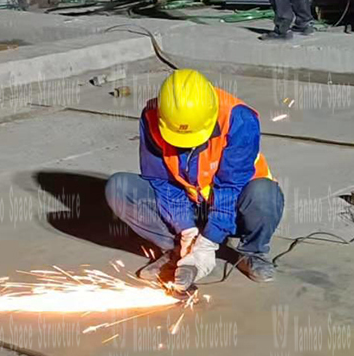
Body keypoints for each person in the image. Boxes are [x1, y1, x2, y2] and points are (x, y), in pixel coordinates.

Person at [105, 69, 284, 289]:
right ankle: (176, 251)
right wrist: (186, 229)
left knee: (264, 194)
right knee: (119, 187)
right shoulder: (152, 116)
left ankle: (253, 253)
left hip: (237, 205)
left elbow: (230, 186)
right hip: (190, 202)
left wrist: (209, 241)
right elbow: (162, 182)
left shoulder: (238, 118)